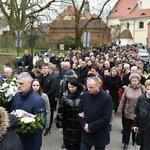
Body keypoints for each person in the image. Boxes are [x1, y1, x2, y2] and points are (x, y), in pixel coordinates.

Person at [11, 72, 46, 150]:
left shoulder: (37, 100)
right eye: (18, 83)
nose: (18, 86)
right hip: (17, 139)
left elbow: (41, 123)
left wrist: (25, 126)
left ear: (29, 83)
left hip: (31, 142)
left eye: (21, 83)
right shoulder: (17, 96)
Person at [77, 76, 113, 150]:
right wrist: (84, 125)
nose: (89, 89)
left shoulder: (107, 98)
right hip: (86, 133)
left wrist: (90, 127)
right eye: (88, 87)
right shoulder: (85, 95)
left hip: (100, 133)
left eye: (91, 87)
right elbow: (79, 112)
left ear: (98, 85)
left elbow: (106, 118)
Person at [56, 77, 84, 150]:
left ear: (77, 86)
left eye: (73, 87)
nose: (71, 89)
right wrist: (60, 125)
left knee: (80, 144)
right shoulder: (65, 96)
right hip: (67, 123)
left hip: (80, 124)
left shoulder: (83, 96)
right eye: (69, 87)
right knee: (69, 143)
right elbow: (60, 112)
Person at [118, 73, 145, 150]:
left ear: (138, 81)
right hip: (128, 111)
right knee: (127, 129)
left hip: (138, 112)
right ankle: (125, 143)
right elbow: (123, 100)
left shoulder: (142, 88)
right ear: (130, 81)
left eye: (135, 81)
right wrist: (120, 109)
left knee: (135, 128)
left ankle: (134, 140)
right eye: (132, 81)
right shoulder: (127, 88)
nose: (134, 82)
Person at [133, 79, 150, 150]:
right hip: (143, 128)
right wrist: (136, 125)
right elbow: (136, 111)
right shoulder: (141, 98)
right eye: (148, 89)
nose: (149, 91)